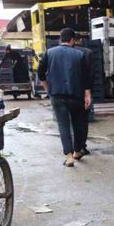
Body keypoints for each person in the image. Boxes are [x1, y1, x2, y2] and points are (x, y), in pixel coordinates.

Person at [38, 28, 92, 167]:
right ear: (72, 40)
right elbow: (86, 77)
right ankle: (77, 151)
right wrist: (87, 95)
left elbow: (40, 73)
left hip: (57, 95)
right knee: (78, 124)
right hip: (76, 95)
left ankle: (69, 157)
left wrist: (47, 88)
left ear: (60, 39)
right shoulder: (80, 54)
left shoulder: (49, 53)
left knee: (63, 125)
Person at [74, 32, 94, 158]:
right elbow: (91, 74)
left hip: (69, 91)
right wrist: (89, 92)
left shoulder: (65, 53)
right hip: (84, 91)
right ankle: (82, 146)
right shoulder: (87, 53)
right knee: (83, 120)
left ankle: (75, 148)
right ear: (79, 39)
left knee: (72, 121)